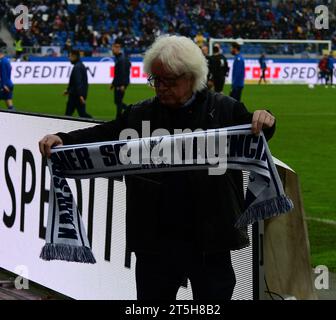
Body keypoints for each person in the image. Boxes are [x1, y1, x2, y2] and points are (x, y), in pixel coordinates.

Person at [39, 35, 276, 301]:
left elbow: (259, 132)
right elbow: (107, 134)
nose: (160, 87)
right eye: (156, 80)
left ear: (191, 77)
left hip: (209, 239)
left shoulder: (223, 110)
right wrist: (65, 139)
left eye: (169, 81)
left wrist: (265, 118)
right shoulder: (141, 114)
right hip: (155, 241)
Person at [64, 50, 92, 118]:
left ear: (74, 56)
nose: (69, 58)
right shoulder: (80, 65)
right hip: (77, 94)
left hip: (75, 96)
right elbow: (75, 82)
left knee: (69, 114)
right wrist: (68, 90)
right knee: (82, 114)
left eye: (70, 56)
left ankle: (95, 123)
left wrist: (80, 95)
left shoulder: (77, 67)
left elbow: (78, 82)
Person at [110, 39, 131, 118]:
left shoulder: (121, 59)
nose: (112, 50)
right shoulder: (120, 58)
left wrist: (122, 84)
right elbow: (118, 73)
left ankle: (121, 116)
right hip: (119, 83)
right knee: (118, 101)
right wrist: (113, 84)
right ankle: (128, 112)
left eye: (113, 49)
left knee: (118, 102)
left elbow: (122, 73)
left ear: (118, 48)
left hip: (120, 84)